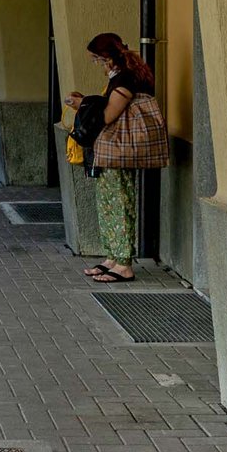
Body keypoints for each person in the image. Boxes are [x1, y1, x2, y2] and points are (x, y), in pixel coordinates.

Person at [64, 32, 170, 283]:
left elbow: (109, 114)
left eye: (97, 60)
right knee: (108, 203)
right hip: (114, 151)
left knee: (120, 203)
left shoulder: (125, 78)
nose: (97, 65)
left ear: (107, 57)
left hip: (119, 150)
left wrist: (82, 104)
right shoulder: (124, 74)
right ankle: (113, 256)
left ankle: (123, 263)